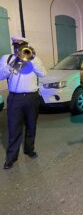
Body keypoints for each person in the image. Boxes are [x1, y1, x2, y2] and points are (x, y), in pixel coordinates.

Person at [0, 37, 47, 169]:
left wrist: (32, 60)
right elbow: (1, 75)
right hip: (15, 98)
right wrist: (15, 62)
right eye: (16, 45)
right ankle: (11, 158)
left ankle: (29, 150)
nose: (19, 47)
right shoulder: (7, 58)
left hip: (32, 97)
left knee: (31, 126)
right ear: (13, 46)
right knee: (14, 128)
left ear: (27, 46)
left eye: (22, 45)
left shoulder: (34, 58)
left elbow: (43, 73)